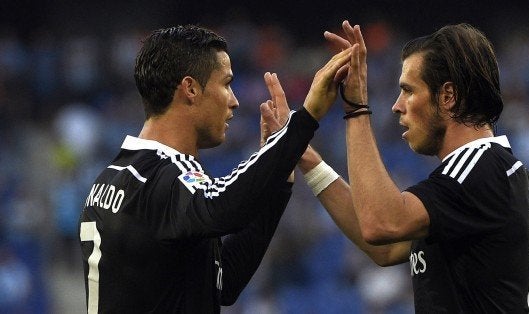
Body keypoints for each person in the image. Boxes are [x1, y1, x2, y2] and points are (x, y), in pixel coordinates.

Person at [78, 24, 355, 313]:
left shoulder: (115, 177)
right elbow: (223, 206)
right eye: (225, 84)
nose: (234, 101)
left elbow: (224, 283)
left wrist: (279, 176)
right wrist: (306, 119)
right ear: (191, 89)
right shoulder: (165, 178)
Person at [297, 21, 529, 312]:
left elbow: (381, 224)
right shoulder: (495, 172)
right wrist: (308, 160)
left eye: (408, 91)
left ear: (448, 97)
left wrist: (356, 108)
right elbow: (385, 247)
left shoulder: (480, 167)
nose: (397, 105)